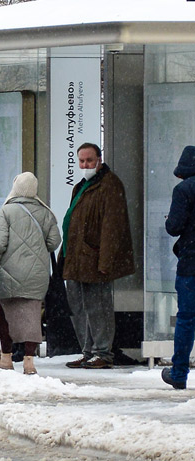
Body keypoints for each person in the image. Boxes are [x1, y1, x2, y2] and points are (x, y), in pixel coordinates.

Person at [62, 143, 136, 369]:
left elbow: (111, 226)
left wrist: (105, 261)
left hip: (93, 258)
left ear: (99, 160)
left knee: (98, 307)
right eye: (82, 161)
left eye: (89, 161)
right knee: (82, 307)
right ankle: (89, 351)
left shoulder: (109, 185)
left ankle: (103, 352)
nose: (85, 165)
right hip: (78, 257)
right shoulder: (83, 186)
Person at [0, 173, 61, 374]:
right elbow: (54, 242)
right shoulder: (46, 213)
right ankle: (29, 362)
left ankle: (6, 359)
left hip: (8, 272)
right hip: (36, 275)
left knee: (5, 316)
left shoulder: (6, 211)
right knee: (32, 317)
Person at [162, 146, 195, 390]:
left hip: (191, 265)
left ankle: (179, 373)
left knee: (186, 318)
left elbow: (174, 226)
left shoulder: (183, 190)